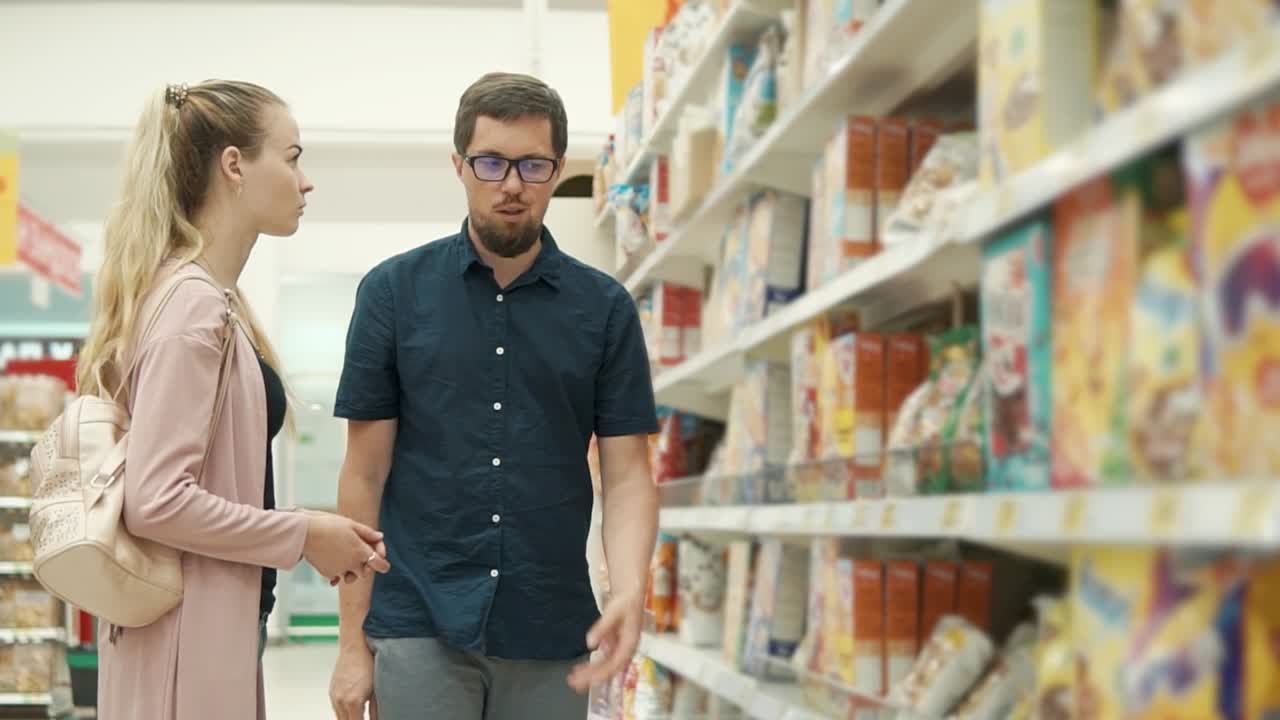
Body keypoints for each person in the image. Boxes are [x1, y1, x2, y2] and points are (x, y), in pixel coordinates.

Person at [328, 72, 660, 720]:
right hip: (418, 620)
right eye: (491, 162)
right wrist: (350, 643)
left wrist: (629, 588)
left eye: (533, 165)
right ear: (459, 165)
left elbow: (627, 475)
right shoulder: (392, 294)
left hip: (551, 629)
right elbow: (363, 478)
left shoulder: (606, 310)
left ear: (559, 169)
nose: (512, 184)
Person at [75, 80, 391, 720]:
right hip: (184, 645)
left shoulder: (205, 297)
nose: (306, 182)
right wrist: (303, 533)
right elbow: (158, 500)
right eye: (293, 156)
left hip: (198, 631)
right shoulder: (193, 305)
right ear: (234, 165)